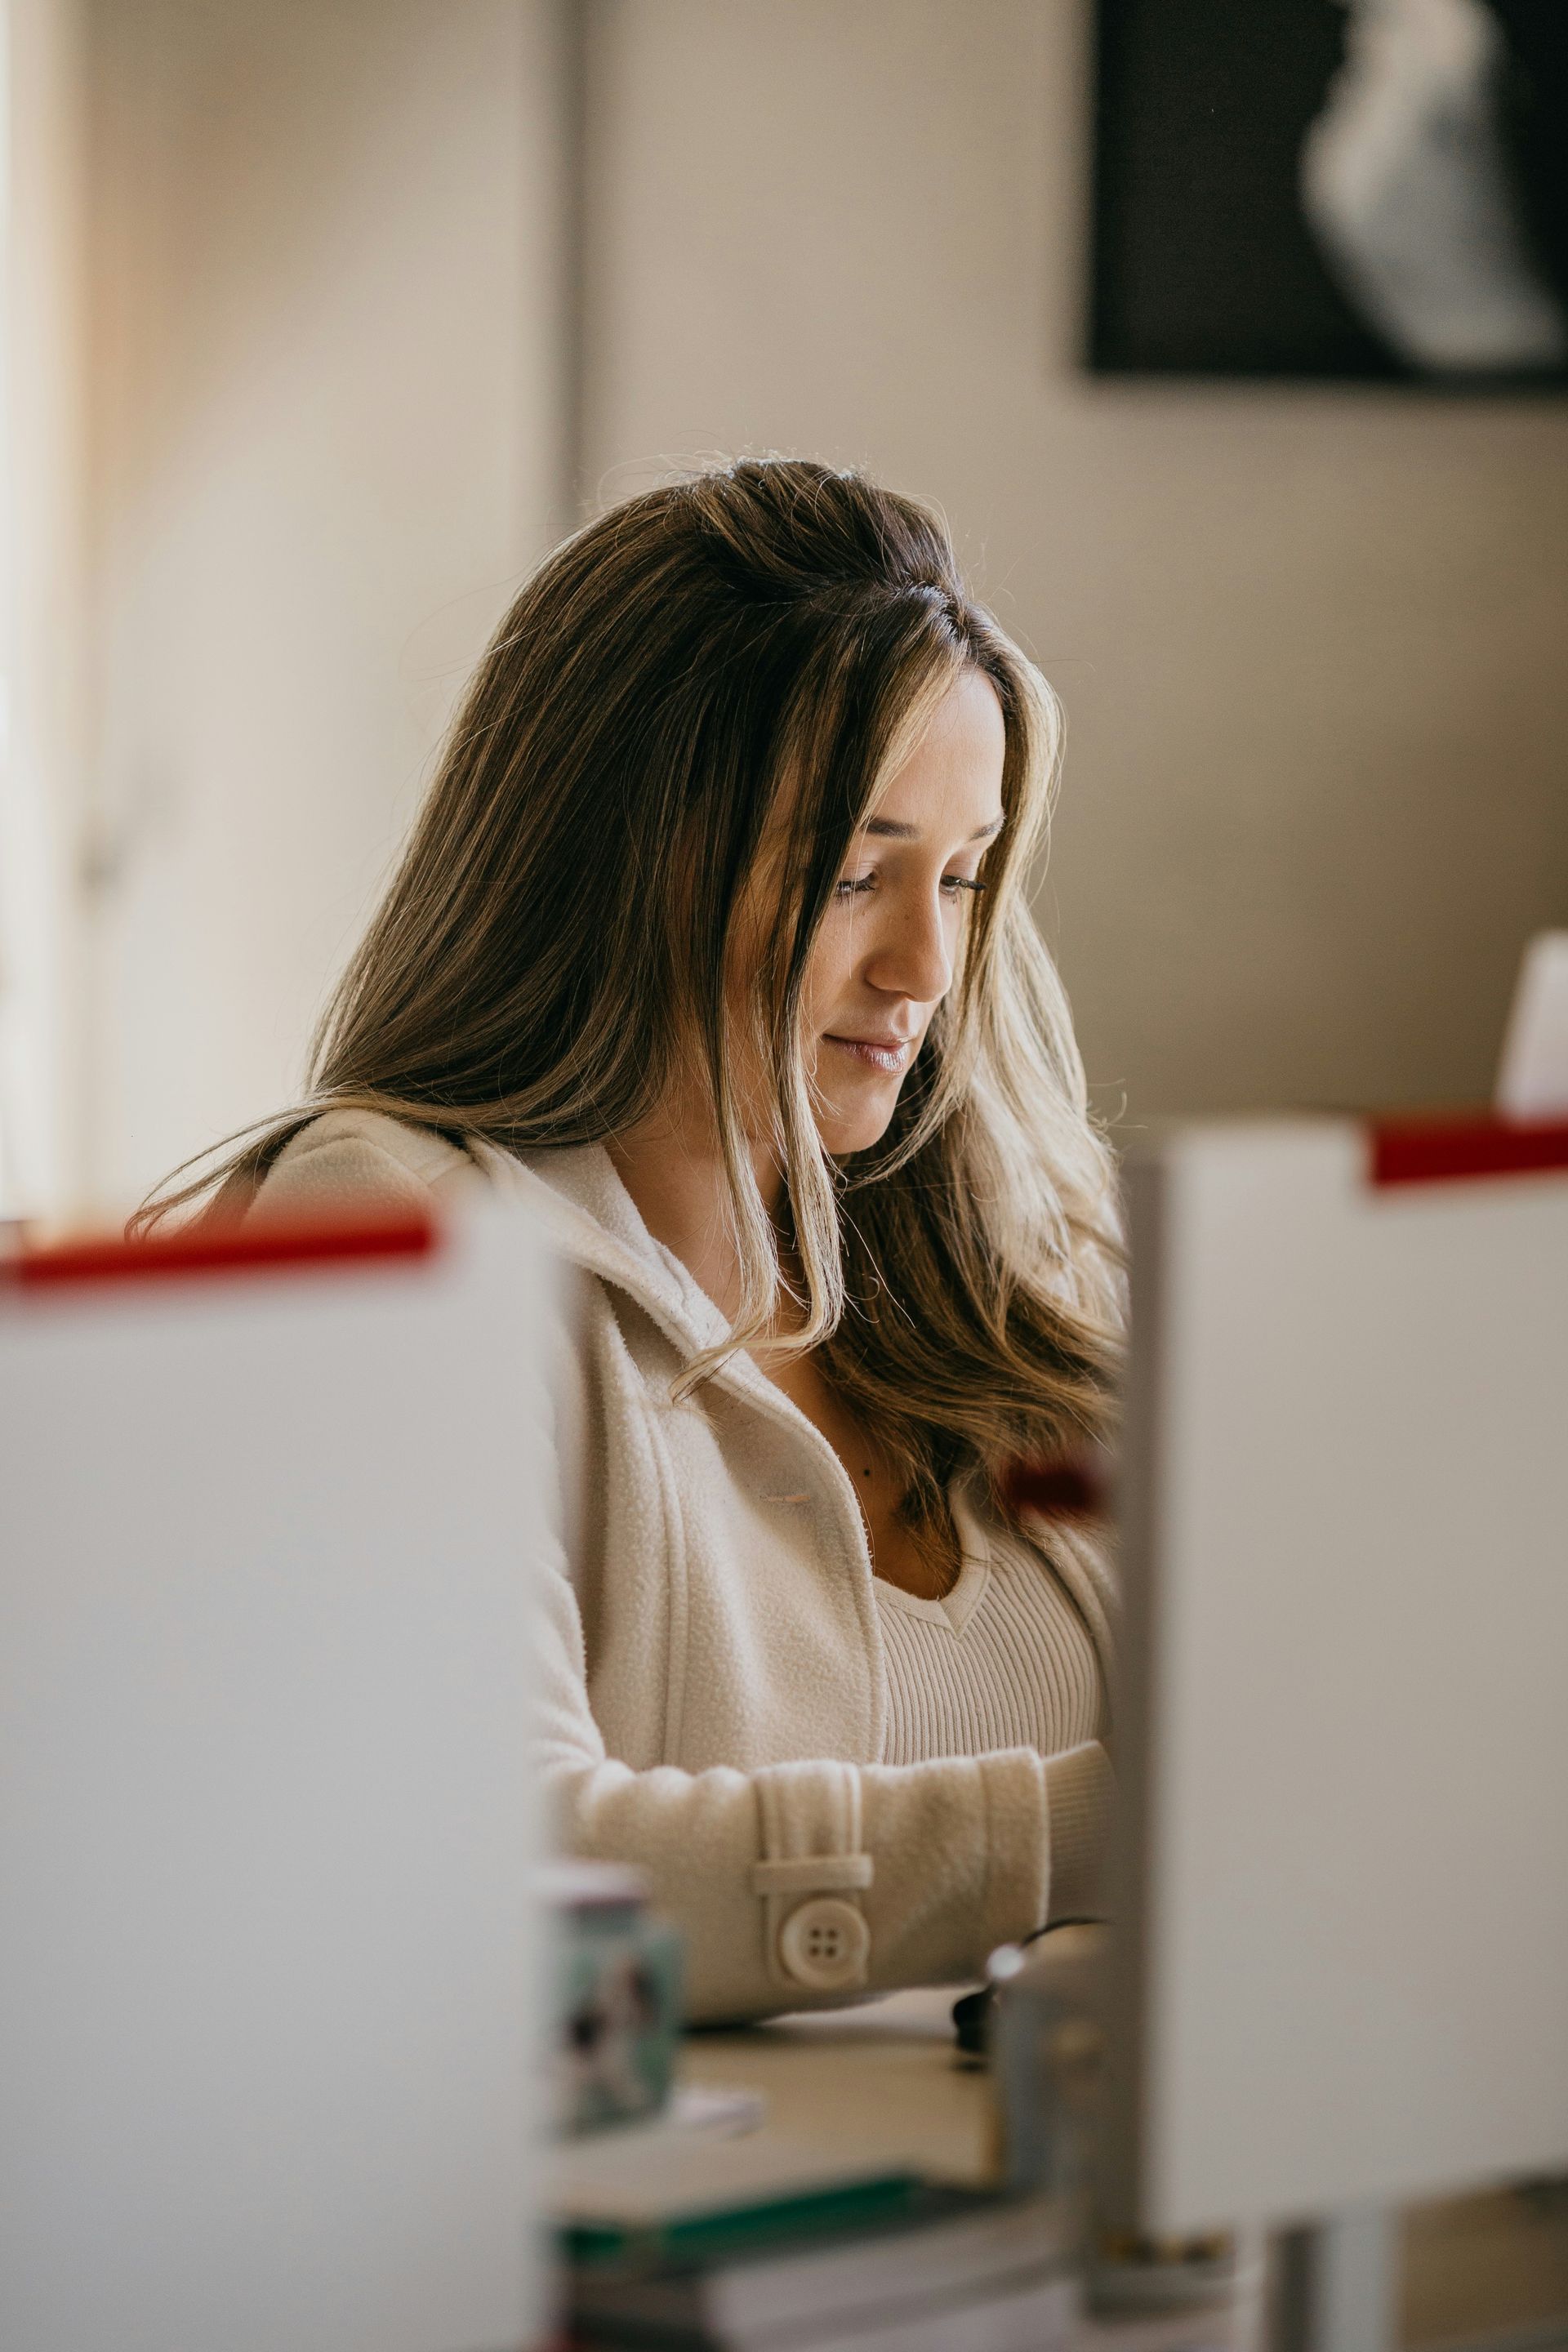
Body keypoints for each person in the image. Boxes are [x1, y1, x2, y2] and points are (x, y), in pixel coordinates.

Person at [140, 459, 1124, 2021]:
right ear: (621, 857)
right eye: (858, 872)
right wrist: (1111, 1825)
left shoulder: (1009, 1251)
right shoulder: (387, 1229)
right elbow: (494, 1860)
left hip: (1086, 2228)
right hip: (644, 2251)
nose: (929, 963)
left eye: (966, 876)